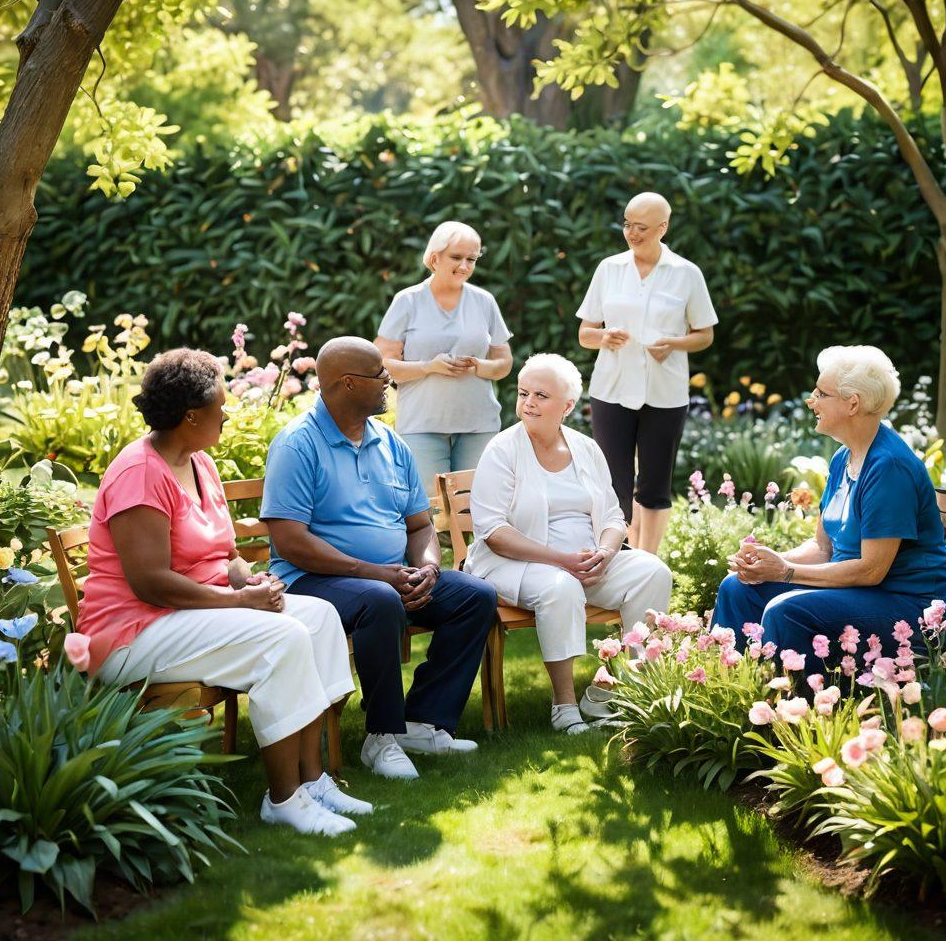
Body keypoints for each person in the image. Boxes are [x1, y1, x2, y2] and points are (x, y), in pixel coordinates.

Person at [79, 349, 369, 837]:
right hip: (132, 630)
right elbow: (148, 581)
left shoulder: (200, 463)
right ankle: (283, 799)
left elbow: (224, 556)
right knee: (281, 638)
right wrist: (240, 603)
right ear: (190, 416)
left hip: (191, 613)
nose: (226, 414)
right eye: (218, 406)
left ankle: (314, 780)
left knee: (318, 617)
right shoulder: (139, 473)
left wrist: (248, 582)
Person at [261, 336, 499, 780]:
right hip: (310, 580)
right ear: (348, 384)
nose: (390, 380)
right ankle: (381, 736)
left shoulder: (390, 443)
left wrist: (427, 568)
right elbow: (290, 542)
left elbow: (420, 525)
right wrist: (375, 574)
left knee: (476, 597)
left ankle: (422, 722)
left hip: (387, 577)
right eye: (380, 375)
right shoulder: (297, 445)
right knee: (379, 601)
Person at [712, 346, 946, 679]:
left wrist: (786, 572)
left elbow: (871, 570)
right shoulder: (842, 458)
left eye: (820, 393)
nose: (810, 401)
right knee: (737, 588)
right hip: (862, 593)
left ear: (853, 402)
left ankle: (791, 713)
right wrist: (766, 561)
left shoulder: (888, 466)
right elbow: (823, 548)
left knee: (786, 611)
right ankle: (729, 695)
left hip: (914, 606)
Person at [466, 353, 673, 734]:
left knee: (652, 572)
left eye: (541, 395)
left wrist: (606, 552)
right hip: (516, 563)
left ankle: (635, 690)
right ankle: (565, 708)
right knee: (560, 589)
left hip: (586, 562)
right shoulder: (502, 450)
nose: (528, 403)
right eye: (523, 392)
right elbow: (493, 531)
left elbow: (613, 515)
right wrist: (560, 560)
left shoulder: (585, 448)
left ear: (567, 405)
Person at [577, 191, 717, 554]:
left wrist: (672, 343)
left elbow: (704, 335)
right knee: (613, 484)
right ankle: (616, 559)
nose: (632, 233)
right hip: (612, 390)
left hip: (665, 393)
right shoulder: (609, 268)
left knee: (655, 485)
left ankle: (647, 563)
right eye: (627, 224)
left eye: (641, 227)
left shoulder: (687, 273)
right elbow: (585, 333)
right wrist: (605, 336)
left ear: (663, 227)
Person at [375, 220, 513, 495]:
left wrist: (480, 366)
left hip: (478, 425)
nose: (464, 266)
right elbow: (382, 365)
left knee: (475, 510)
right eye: (457, 257)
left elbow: (504, 363)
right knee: (428, 512)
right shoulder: (408, 301)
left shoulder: (484, 301)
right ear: (434, 257)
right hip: (421, 425)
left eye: (471, 259)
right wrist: (429, 367)